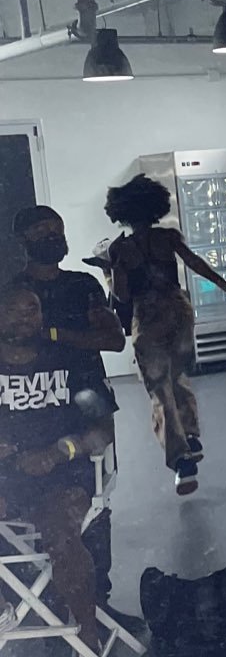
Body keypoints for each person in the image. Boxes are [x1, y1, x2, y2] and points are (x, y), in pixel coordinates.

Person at [0, 285, 115, 657]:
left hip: (63, 474)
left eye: (31, 310)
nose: (23, 319)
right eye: (13, 311)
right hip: (7, 476)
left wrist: (58, 451)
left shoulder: (71, 360)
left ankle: (87, 639)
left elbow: (103, 431)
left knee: (61, 536)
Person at [8, 204, 125, 603]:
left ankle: (98, 599)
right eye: (43, 233)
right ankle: (54, 598)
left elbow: (114, 339)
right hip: (35, 402)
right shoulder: (13, 293)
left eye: (57, 232)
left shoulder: (83, 285)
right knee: (43, 502)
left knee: (95, 494)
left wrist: (53, 335)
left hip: (87, 396)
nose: (53, 239)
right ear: (23, 241)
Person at [104, 176, 226, 497]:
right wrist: (225, 285)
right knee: (178, 375)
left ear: (122, 213)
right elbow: (195, 263)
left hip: (148, 316)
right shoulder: (167, 237)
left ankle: (182, 461)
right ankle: (191, 434)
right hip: (179, 310)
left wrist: (111, 269)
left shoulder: (121, 249)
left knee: (159, 388)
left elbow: (123, 296)